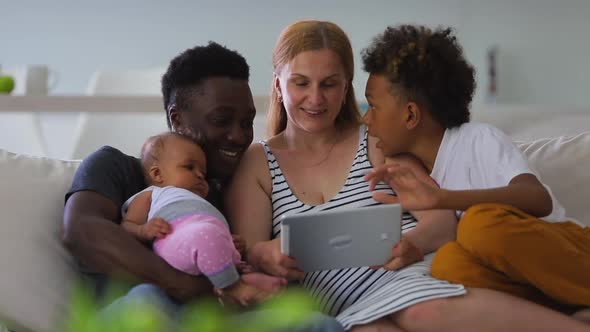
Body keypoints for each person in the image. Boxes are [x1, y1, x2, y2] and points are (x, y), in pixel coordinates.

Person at [62, 42, 344, 331]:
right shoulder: (115, 166)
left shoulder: (229, 191)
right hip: (136, 314)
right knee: (151, 299)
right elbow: (83, 231)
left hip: (212, 322)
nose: (238, 136)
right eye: (222, 121)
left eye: (246, 122)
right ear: (177, 119)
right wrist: (186, 286)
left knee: (319, 325)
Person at [225, 20, 469, 332]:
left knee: (421, 314)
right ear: (277, 84)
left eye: (328, 84)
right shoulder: (258, 163)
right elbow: (249, 257)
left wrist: (410, 244)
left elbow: (442, 221)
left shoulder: (375, 141)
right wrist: (263, 255)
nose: (315, 99)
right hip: (348, 315)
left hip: (416, 283)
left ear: (346, 86)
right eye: (301, 83)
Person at [362, 24, 590, 329]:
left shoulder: (477, 139)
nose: (366, 119)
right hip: (528, 281)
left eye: (373, 107)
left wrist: (444, 199)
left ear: (411, 115)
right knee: (448, 266)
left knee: (477, 225)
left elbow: (538, 198)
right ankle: (571, 313)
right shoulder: (411, 170)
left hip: (569, 249)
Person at [121, 132, 286, 306]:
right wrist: (143, 230)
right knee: (207, 234)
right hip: (176, 238)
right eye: (189, 167)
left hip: (206, 239)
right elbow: (127, 225)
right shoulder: (153, 194)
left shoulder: (202, 201)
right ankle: (233, 289)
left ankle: (256, 286)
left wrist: (230, 242)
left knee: (219, 242)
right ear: (157, 174)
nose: (200, 175)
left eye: (203, 173)